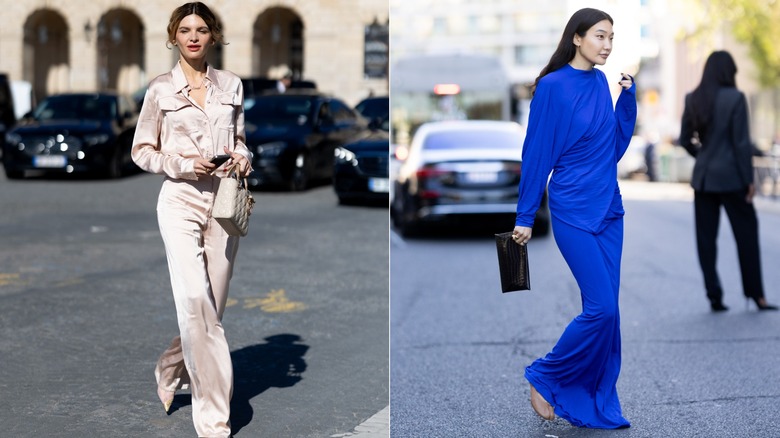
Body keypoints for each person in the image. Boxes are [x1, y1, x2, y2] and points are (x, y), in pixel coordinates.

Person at [131, 2, 252, 437]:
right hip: (179, 202)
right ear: (173, 37)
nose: (194, 37)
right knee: (196, 303)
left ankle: (169, 367)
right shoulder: (160, 89)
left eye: (201, 29)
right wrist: (184, 165)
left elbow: (241, 139)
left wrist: (242, 157)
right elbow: (142, 151)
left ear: (213, 35)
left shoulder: (232, 85)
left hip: (223, 205)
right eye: (185, 30)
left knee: (210, 309)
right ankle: (214, 419)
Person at [512, 8, 635, 429]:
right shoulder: (552, 87)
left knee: (609, 315)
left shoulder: (601, 82)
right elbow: (537, 153)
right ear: (577, 38)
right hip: (573, 210)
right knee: (601, 310)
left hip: (609, 210)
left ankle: (589, 397)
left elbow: (612, 150)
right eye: (600, 36)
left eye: (611, 37)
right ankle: (544, 375)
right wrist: (526, 214)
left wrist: (626, 103)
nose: (607, 44)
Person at [679, 51, 777, 312]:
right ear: (728, 72)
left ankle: (714, 296)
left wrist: (703, 157)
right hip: (733, 178)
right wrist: (749, 180)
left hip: (704, 179)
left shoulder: (693, 98)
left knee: (706, 240)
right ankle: (756, 295)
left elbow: (685, 139)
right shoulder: (735, 98)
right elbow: (741, 143)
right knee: (747, 235)